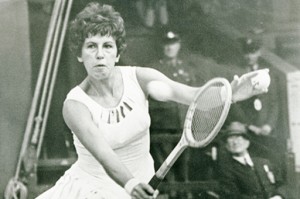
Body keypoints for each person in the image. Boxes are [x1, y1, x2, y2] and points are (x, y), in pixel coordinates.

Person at [36, 2, 268, 199]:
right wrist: (131, 184)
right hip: (90, 190)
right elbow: (105, 154)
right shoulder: (74, 105)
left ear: (117, 53)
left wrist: (233, 93)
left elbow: (193, 96)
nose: (99, 55)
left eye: (107, 46)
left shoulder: (141, 78)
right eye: (91, 47)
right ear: (79, 54)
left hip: (138, 187)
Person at [217, 121, 288, 199]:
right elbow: (233, 196)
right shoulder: (227, 170)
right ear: (226, 145)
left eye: (238, 137)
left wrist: (279, 196)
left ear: (247, 142)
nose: (235, 142)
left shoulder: (263, 162)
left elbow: (283, 184)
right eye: (230, 138)